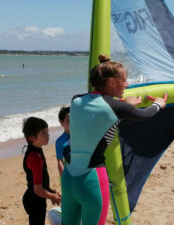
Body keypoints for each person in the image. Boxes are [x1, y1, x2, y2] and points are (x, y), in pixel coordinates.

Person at [61, 54, 166, 225]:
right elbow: (145, 115)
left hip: (68, 178)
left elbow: (97, 114)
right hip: (91, 179)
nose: (127, 84)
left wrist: (125, 106)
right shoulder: (116, 107)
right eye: (124, 80)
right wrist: (158, 104)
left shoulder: (76, 100)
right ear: (111, 82)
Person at [22, 117, 61, 225]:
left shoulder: (35, 151)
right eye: (43, 133)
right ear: (32, 137)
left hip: (34, 196)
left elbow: (40, 182)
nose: (47, 135)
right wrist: (52, 196)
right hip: (34, 200)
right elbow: (38, 189)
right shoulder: (35, 157)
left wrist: (50, 191)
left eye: (47, 132)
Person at [55, 106, 70, 176]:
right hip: (70, 172)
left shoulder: (80, 135)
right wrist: (64, 178)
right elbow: (60, 161)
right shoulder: (60, 141)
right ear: (61, 122)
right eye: (68, 121)